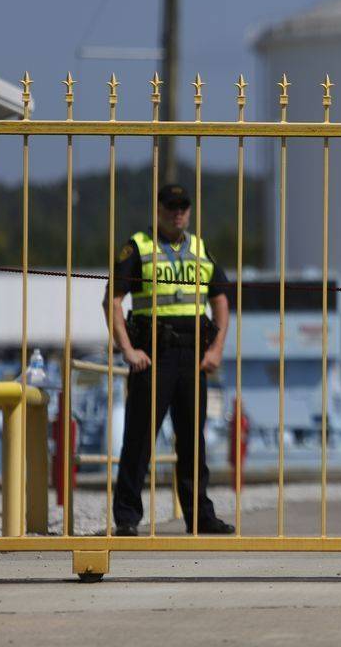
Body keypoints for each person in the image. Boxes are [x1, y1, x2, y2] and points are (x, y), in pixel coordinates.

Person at [104, 183, 235, 536]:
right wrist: (127, 350)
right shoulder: (138, 247)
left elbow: (221, 300)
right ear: (158, 209)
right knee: (139, 439)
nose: (178, 212)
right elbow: (112, 300)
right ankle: (127, 519)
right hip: (153, 356)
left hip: (192, 358)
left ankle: (200, 517)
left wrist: (216, 349)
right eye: (171, 206)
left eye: (183, 206)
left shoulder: (200, 249)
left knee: (193, 440)